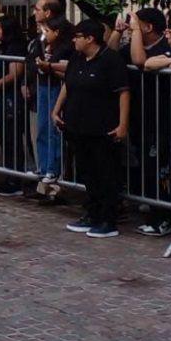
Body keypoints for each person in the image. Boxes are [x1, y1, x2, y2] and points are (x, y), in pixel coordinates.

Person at [52, 19, 130, 239]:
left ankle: (108, 218)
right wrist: (56, 109)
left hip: (102, 126)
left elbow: (123, 92)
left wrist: (122, 124)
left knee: (105, 172)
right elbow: (68, 83)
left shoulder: (110, 60)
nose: (74, 40)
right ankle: (91, 213)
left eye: (78, 36)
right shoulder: (77, 59)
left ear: (90, 38)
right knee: (86, 171)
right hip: (77, 124)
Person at [28, 16, 73, 204]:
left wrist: (48, 66)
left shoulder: (66, 48)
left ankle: (55, 174)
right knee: (42, 129)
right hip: (43, 88)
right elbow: (32, 62)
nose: (43, 33)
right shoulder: (40, 45)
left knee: (54, 133)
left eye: (47, 30)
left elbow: (65, 69)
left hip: (56, 88)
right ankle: (44, 169)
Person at [0, 15, 29, 196]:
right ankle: (10, 174)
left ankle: (15, 178)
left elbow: (14, 74)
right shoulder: (2, 47)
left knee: (12, 137)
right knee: (2, 134)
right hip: (2, 96)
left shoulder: (15, 47)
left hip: (13, 97)